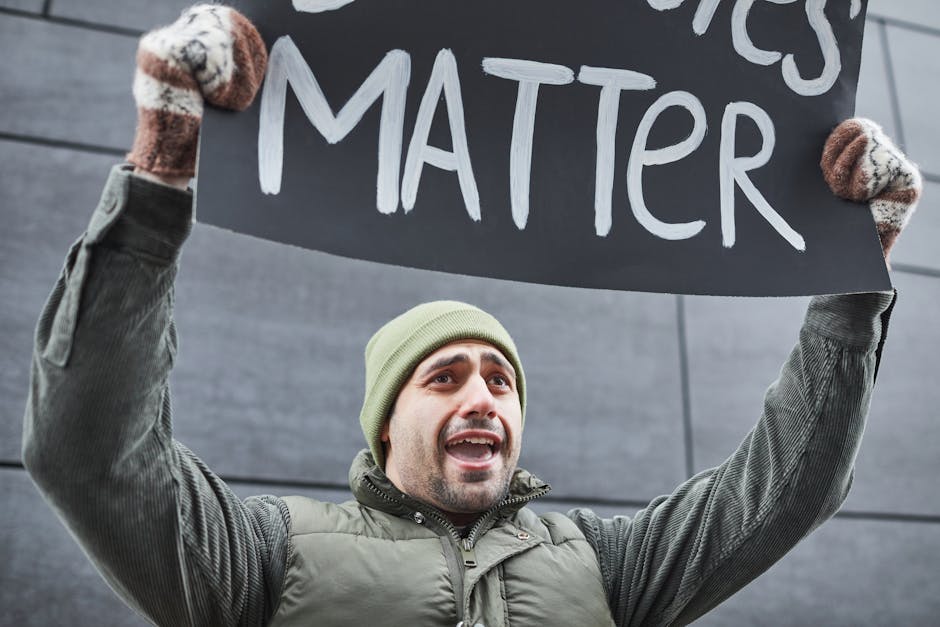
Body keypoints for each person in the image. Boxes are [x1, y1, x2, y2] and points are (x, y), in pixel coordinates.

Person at [22, 5, 923, 627]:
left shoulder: (612, 565)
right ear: (384, 420)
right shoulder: (264, 554)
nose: (484, 396)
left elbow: (788, 488)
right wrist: (162, 165)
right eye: (444, 376)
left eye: (500, 378)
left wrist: (852, 269)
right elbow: (89, 454)